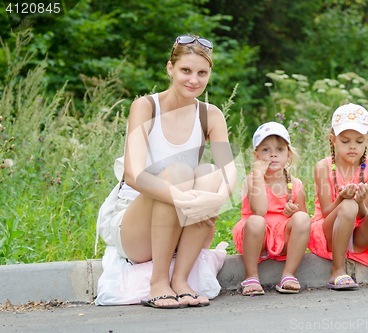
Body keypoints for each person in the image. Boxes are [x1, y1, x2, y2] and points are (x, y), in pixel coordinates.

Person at [108, 35, 236, 308]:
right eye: (186, 71)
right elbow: (133, 175)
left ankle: (180, 279)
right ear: (170, 68)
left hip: (183, 222)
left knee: (210, 171)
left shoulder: (210, 115)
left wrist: (217, 199)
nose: (194, 80)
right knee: (177, 173)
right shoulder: (145, 106)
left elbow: (228, 171)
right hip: (136, 229)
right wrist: (184, 199)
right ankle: (158, 281)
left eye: (202, 73)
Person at [308, 103, 368, 289]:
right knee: (348, 206)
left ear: (367, 139)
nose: (352, 147)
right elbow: (327, 212)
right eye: (345, 141)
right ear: (333, 140)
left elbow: (362, 215)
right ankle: (337, 270)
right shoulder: (323, 167)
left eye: (359, 141)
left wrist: (360, 201)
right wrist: (341, 199)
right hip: (329, 232)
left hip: (357, 233)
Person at [232, 122, 311, 295]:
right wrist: (259, 174)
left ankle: (288, 275)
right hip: (256, 239)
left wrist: (294, 212)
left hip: (283, 239)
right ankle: (251, 276)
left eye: (280, 150)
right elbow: (259, 211)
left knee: (302, 218)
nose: (273, 155)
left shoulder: (295, 184)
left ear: (288, 155)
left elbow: (303, 224)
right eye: (266, 150)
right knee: (256, 221)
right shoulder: (252, 180)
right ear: (256, 156)